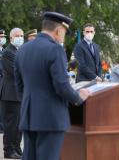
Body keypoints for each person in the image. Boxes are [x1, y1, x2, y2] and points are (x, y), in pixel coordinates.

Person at [14, 12, 90, 160]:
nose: (63, 36)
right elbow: (61, 86)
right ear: (58, 30)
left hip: (29, 115)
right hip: (51, 118)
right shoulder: (55, 49)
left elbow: (19, 86)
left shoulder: (23, 49)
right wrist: (78, 97)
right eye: (64, 33)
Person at [0, 28, 24, 159]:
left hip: (19, 94)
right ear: (11, 38)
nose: (20, 37)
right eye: (17, 36)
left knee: (19, 124)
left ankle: (16, 148)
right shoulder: (8, 53)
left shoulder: (19, 51)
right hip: (11, 94)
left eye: (21, 35)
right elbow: (17, 71)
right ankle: (8, 150)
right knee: (11, 125)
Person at [0, 29, 7, 133]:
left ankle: (2, 126)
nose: (2, 39)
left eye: (3, 37)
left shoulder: (3, 50)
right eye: (1, 37)